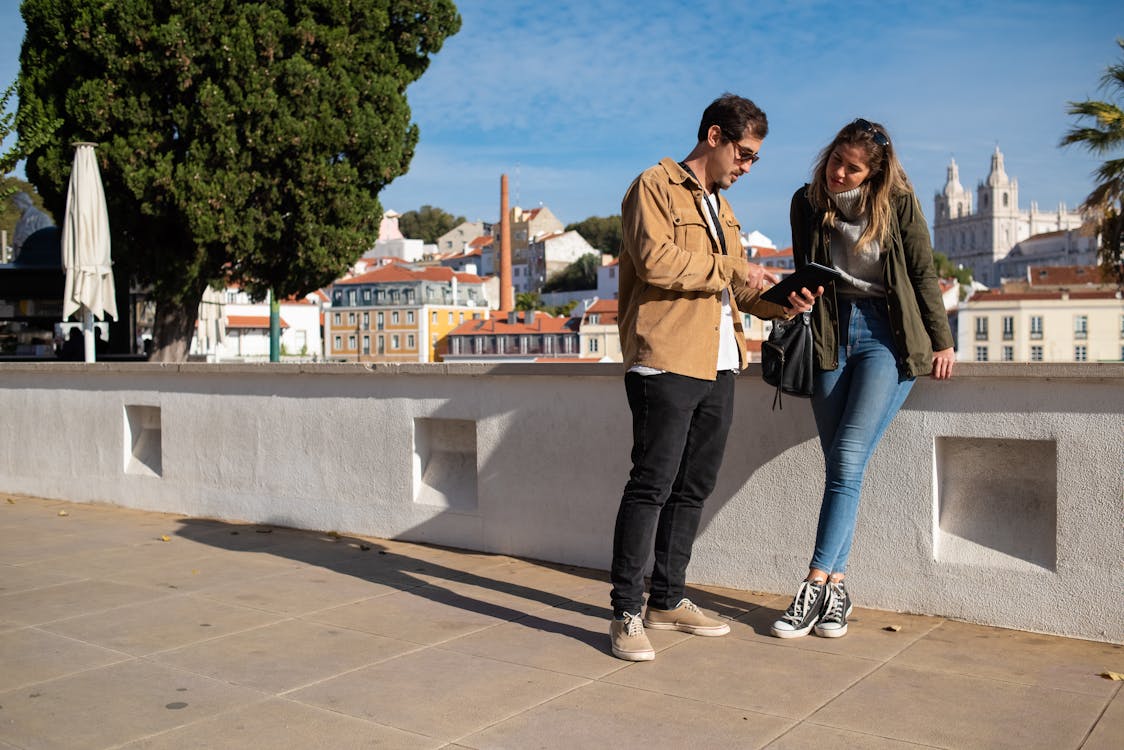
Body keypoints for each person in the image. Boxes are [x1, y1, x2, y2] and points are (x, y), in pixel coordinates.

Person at [610, 93, 818, 661]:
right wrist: (733, 266)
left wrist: (783, 301)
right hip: (666, 357)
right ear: (714, 135)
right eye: (744, 155)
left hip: (720, 360)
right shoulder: (652, 186)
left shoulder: (721, 207)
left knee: (693, 486)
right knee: (650, 486)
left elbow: (736, 289)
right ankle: (626, 610)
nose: (746, 168)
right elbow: (657, 263)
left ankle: (668, 599)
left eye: (753, 160)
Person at [771, 118, 955, 640]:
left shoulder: (897, 204)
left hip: (886, 334)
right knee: (840, 464)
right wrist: (798, 296)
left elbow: (921, 272)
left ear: (873, 174)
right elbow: (806, 266)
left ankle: (811, 585)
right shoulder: (805, 201)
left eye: (852, 168)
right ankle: (839, 589)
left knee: (848, 457)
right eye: (836, 161)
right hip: (829, 333)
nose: (839, 173)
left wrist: (940, 341)